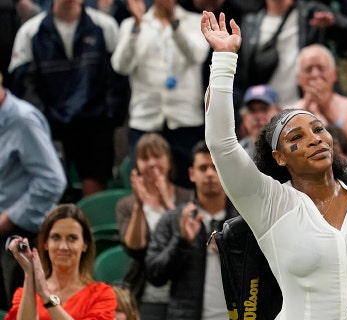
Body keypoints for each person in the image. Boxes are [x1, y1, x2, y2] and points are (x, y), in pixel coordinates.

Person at [201, 12, 347, 319]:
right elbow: (222, 144)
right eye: (297, 136)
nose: (315, 139)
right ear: (279, 157)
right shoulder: (270, 202)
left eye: (319, 129)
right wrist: (225, 60)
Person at [8, 0, 129, 197]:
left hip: (95, 124)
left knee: (94, 193)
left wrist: (111, 116)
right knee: (50, 191)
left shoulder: (105, 26)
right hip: (50, 127)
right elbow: (23, 84)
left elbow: (118, 78)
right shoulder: (30, 32)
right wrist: (40, 121)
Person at [111, 0, 210, 189]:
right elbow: (120, 66)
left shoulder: (195, 21)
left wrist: (173, 21)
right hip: (145, 120)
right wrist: (136, 26)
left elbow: (196, 55)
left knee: (188, 186)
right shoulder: (131, 25)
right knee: (146, 188)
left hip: (185, 120)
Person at [145, 141, 238, 320]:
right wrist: (181, 240)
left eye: (215, 167)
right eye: (203, 168)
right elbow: (154, 274)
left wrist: (230, 254)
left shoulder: (243, 220)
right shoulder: (174, 219)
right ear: (191, 174)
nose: (210, 173)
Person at [0, 72, 67, 310]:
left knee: (20, 310)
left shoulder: (23, 120)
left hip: (21, 235)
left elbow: (53, 181)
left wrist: (9, 218)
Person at [115, 133, 192, 318]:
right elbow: (134, 248)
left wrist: (167, 203)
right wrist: (139, 207)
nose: (151, 163)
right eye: (144, 158)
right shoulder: (126, 204)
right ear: (137, 165)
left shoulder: (187, 197)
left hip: (184, 291)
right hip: (146, 293)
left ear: (169, 161)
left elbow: (190, 241)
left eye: (157, 156)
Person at [235, 0, 347, 107]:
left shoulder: (310, 12)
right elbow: (242, 72)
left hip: (309, 101)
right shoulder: (250, 21)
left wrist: (334, 23)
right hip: (267, 106)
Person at [5, 204, 117, 319]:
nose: (63, 246)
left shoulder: (102, 295)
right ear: (45, 243)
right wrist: (29, 273)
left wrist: (47, 297)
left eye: (72, 238)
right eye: (56, 237)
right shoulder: (24, 294)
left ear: (85, 245)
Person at [290, 44, 347, 144]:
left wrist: (327, 111)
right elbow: (287, 144)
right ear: (298, 78)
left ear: (334, 74)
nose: (315, 75)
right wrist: (305, 108)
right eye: (308, 69)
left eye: (321, 68)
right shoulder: (288, 112)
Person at [239, 84, 281, 158]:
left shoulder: (288, 148)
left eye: (264, 109)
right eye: (252, 110)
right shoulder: (237, 153)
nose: (258, 117)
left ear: (279, 112)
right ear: (244, 118)